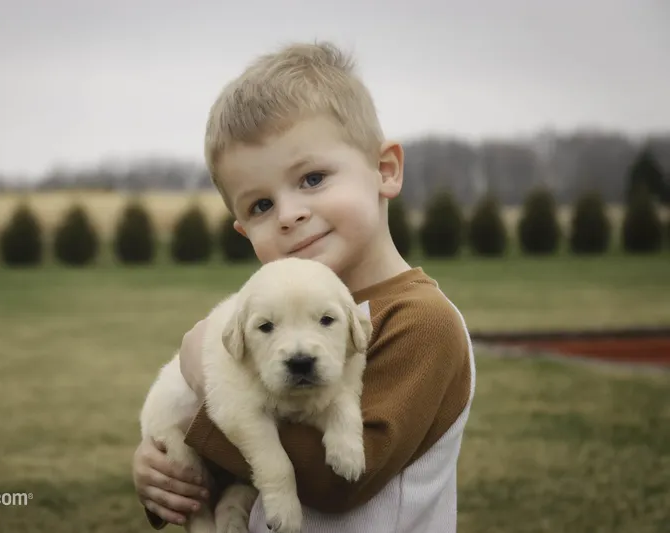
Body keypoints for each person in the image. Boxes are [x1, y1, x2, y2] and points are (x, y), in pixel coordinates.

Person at [132, 40, 476, 533]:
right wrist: (163, 473)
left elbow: (341, 485)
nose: (290, 214)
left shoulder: (421, 323)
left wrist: (205, 386)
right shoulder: (275, 310)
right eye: (260, 207)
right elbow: (250, 439)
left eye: (313, 178)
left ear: (385, 170)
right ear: (244, 232)